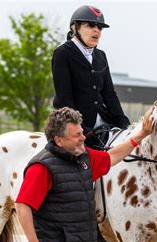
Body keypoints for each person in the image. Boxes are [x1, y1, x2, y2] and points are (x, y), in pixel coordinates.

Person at [15, 107, 152, 242]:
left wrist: (140, 135)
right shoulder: (42, 167)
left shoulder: (84, 158)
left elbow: (112, 157)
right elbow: (22, 205)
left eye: (82, 133)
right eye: (77, 135)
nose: (82, 138)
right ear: (59, 140)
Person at [51, 5, 131, 148]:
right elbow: (65, 97)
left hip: (104, 124)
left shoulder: (101, 56)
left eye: (100, 28)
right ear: (75, 28)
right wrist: (81, 129)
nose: (96, 30)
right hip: (72, 126)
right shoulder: (62, 53)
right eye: (91, 25)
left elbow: (109, 94)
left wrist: (124, 123)